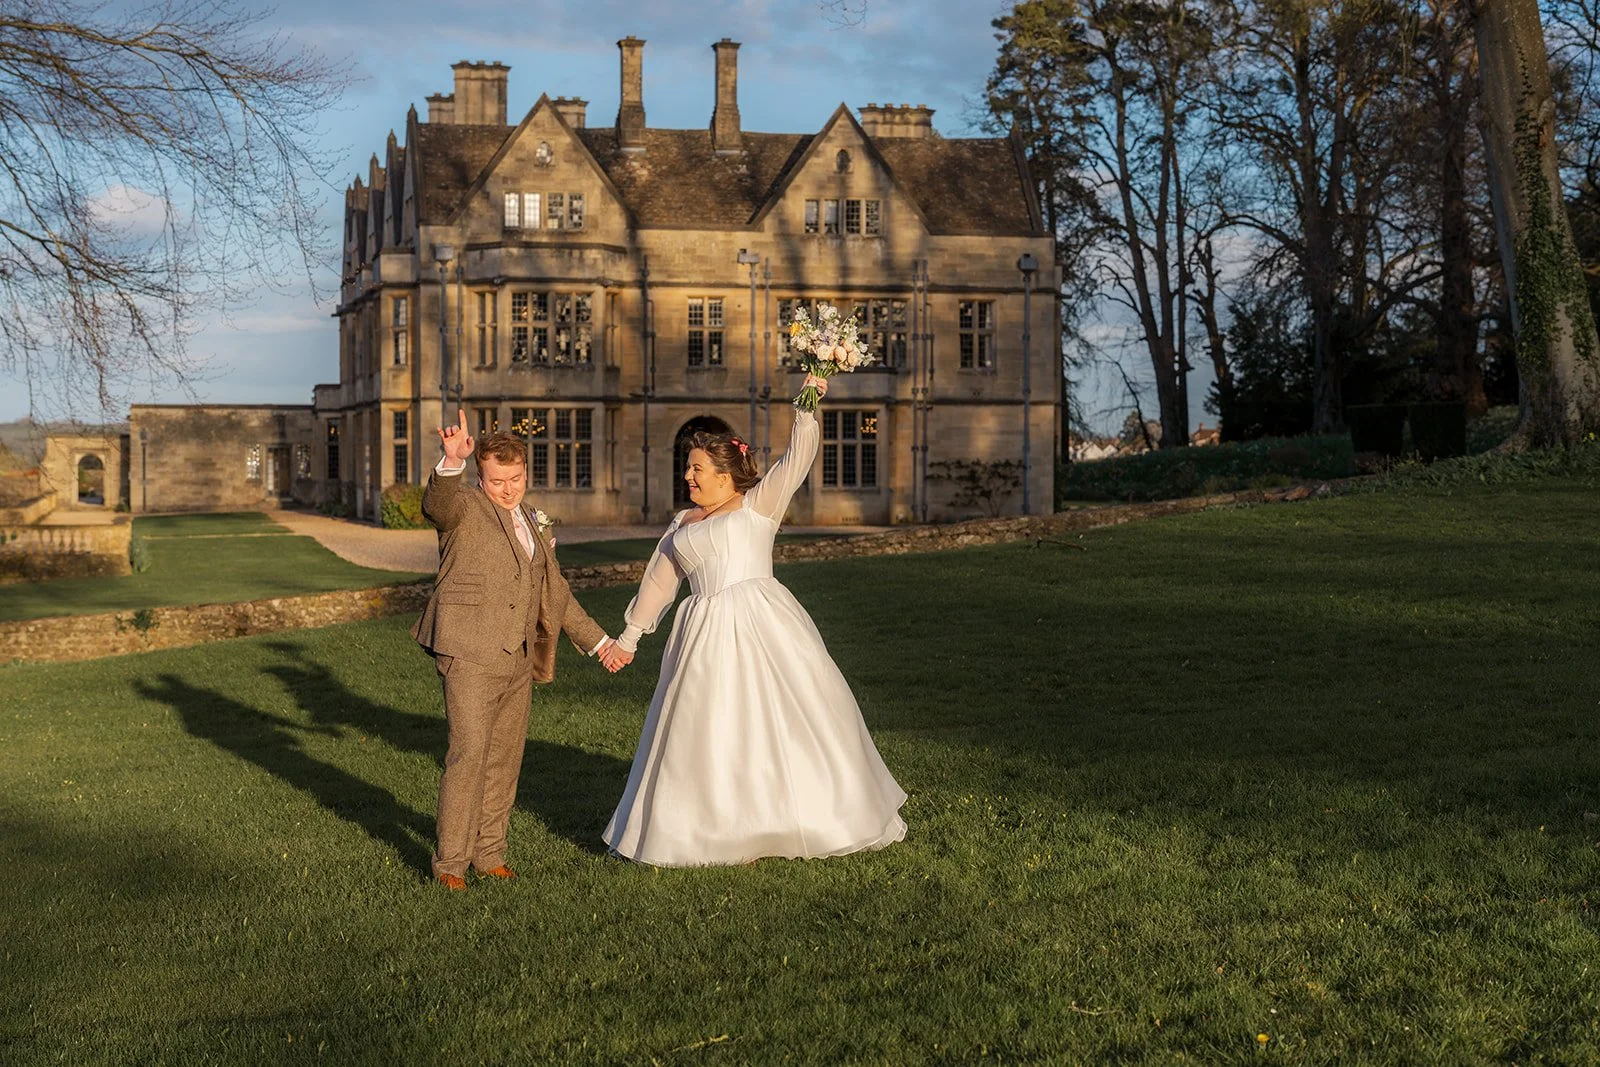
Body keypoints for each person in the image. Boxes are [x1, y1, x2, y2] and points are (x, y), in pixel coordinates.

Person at [599, 376, 907, 866]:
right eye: (687, 470)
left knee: (774, 718)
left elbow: (797, 459)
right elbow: (659, 581)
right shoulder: (682, 523)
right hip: (701, 630)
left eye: (697, 469)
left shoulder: (758, 505)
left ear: (725, 474)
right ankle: (707, 825)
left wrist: (808, 404)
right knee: (707, 723)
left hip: (760, 622)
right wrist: (629, 639)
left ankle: (790, 816)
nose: (689, 478)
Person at [413, 410, 617, 890]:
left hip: (517, 658)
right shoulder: (462, 507)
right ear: (481, 477)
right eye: (497, 480)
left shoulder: (533, 519)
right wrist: (449, 461)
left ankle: (489, 855)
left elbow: (556, 591)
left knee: (505, 760)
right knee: (468, 755)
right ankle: (449, 865)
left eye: (516, 478)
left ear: (527, 472)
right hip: (468, 652)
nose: (508, 489)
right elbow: (435, 506)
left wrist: (600, 641)